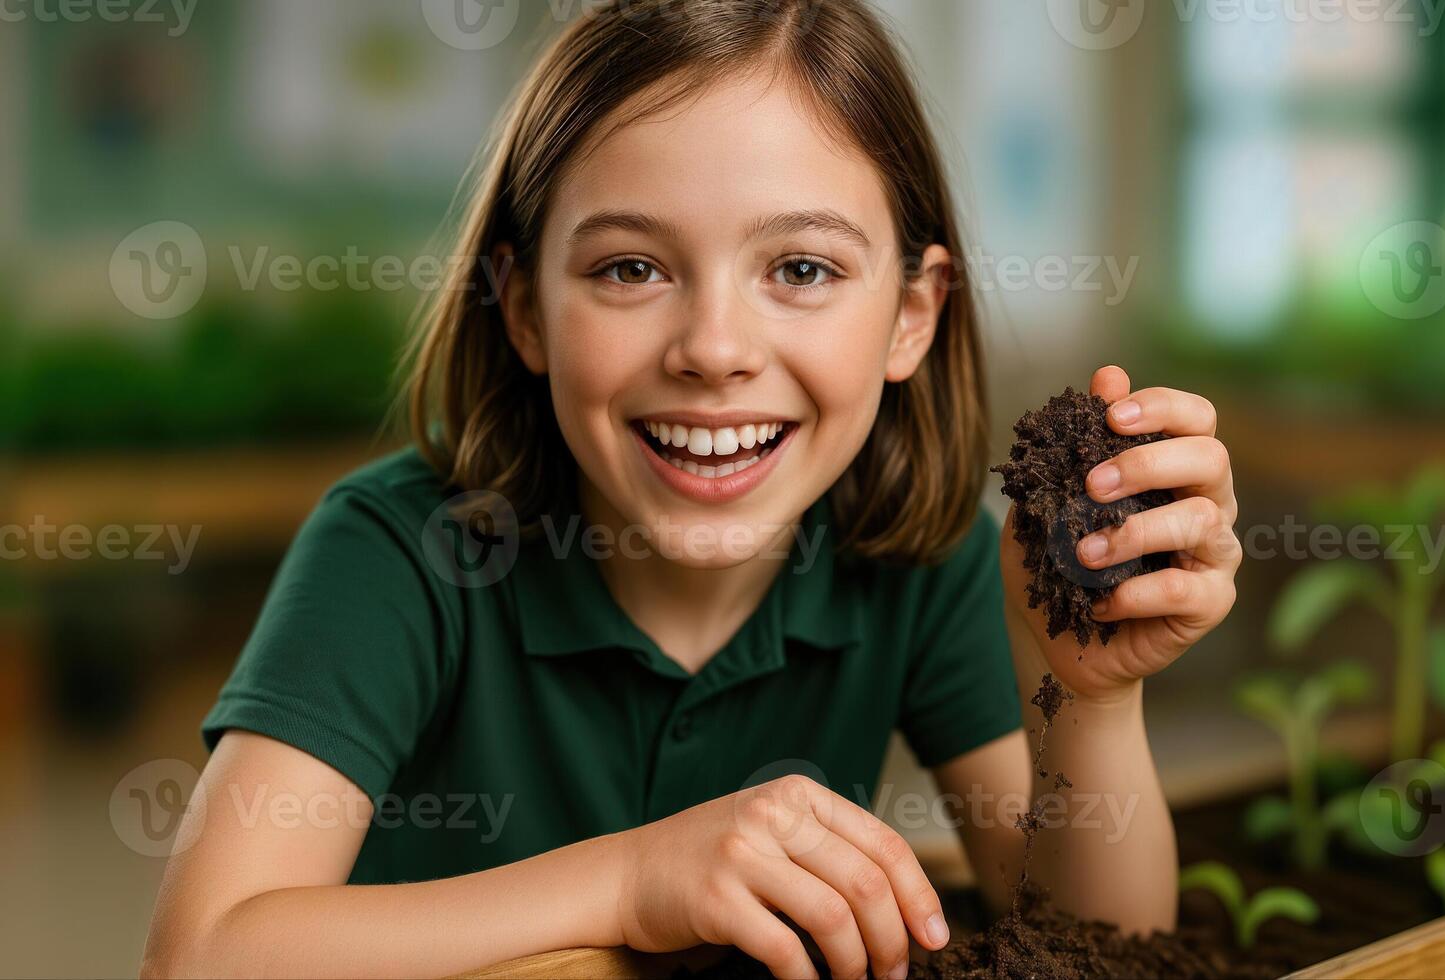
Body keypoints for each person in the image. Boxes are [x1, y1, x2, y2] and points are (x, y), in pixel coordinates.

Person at [143, 2, 1241, 977]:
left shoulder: (924, 556)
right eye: (631, 268)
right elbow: (201, 955)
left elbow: (1096, 945)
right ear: (524, 308)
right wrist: (632, 880)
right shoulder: (394, 552)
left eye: (801, 269)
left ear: (913, 311)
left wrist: (1091, 700)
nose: (715, 348)